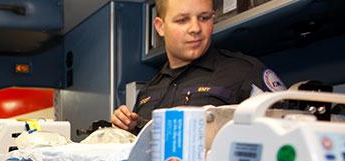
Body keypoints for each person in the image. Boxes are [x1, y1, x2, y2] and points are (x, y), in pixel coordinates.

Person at [111, 0, 286, 133]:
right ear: (160, 27)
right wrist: (127, 130)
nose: (195, 28)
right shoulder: (148, 92)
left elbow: (286, 132)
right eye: (182, 20)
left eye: (204, 18)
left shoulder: (245, 72)